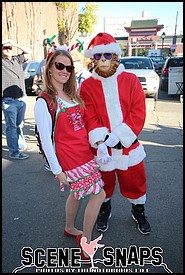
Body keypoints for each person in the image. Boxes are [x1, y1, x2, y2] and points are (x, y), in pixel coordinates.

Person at [34, 49, 106, 259]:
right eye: (59, 66)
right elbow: (47, 140)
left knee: (77, 193)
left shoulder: (73, 94)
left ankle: (69, 227)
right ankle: (86, 241)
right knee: (99, 194)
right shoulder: (44, 101)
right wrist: (58, 170)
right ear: (49, 68)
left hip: (84, 154)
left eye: (69, 67)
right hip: (70, 160)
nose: (65, 71)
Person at [80, 32, 151, 235]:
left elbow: (138, 112)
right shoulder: (86, 86)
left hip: (129, 147)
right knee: (105, 183)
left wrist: (119, 136)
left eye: (108, 55)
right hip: (103, 148)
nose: (103, 60)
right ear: (92, 58)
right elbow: (89, 116)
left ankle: (138, 210)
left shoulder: (131, 80)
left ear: (115, 56)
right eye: (98, 56)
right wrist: (101, 139)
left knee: (136, 182)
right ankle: (105, 209)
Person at [2, 39, 32, 160]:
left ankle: (20, 145)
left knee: (19, 125)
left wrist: (14, 44)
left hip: (21, 98)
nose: (8, 49)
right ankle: (14, 152)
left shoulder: (17, 59)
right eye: (5, 48)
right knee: (11, 127)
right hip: (8, 100)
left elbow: (29, 52)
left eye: (10, 48)